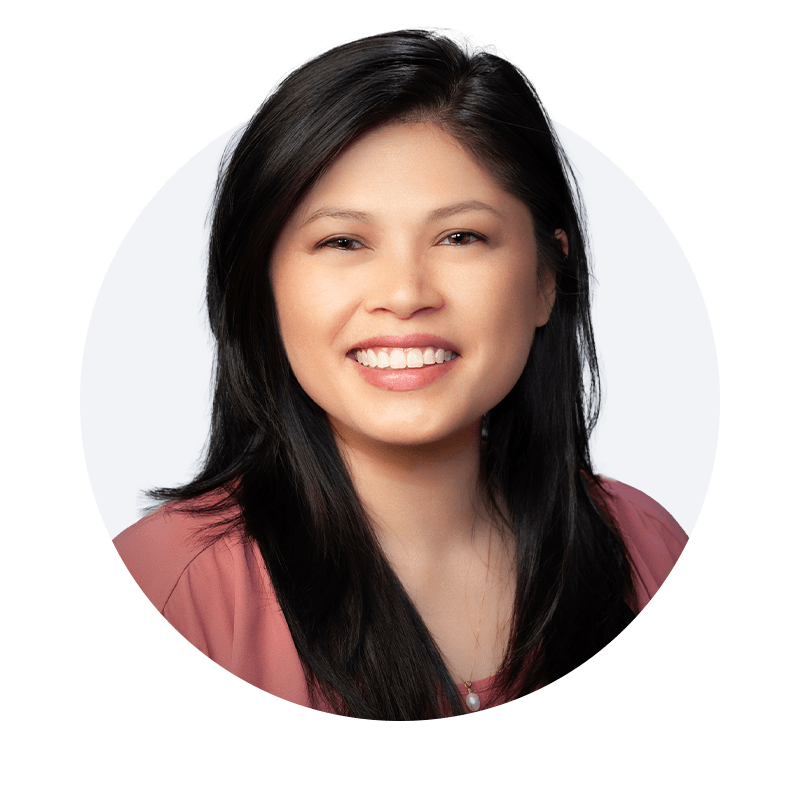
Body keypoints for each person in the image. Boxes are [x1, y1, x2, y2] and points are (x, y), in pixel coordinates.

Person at [114, 27, 687, 720]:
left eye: (461, 237)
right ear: (261, 287)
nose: (406, 294)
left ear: (545, 278)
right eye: (343, 241)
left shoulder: (648, 548)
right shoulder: (164, 587)